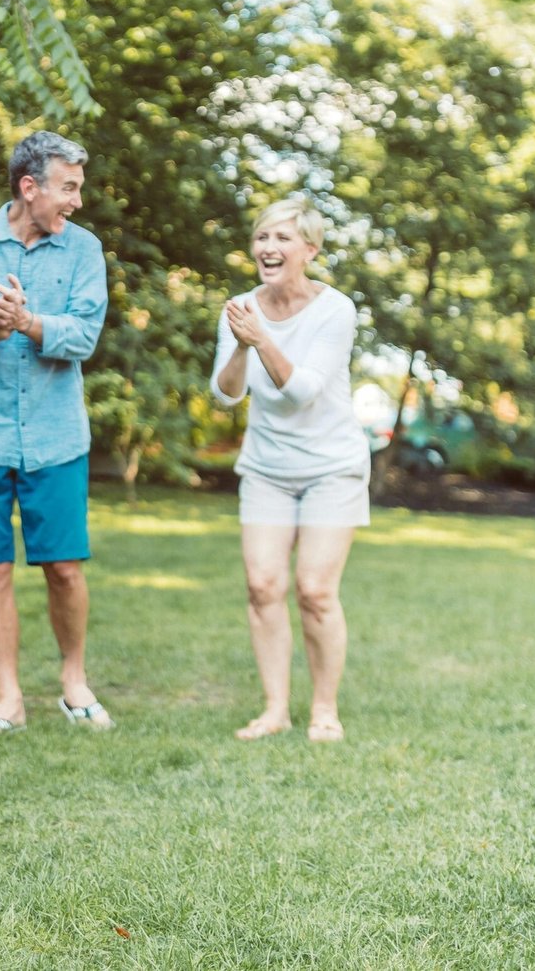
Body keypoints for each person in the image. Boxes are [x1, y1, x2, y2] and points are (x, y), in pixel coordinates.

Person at [0, 130, 111, 743]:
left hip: (56, 437)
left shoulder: (84, 251)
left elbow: (84, 336)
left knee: (63, 567)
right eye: (69, 188)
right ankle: (9, 697)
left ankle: (74, 681)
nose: (77, 201)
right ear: (30, 188)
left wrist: (27, 322)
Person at [209, 196, 368, 744]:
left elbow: (301, 392)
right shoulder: (239, 307)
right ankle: (275, 709)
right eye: (262, 238)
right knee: (262, 584)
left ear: (310, 249)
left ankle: (325, 709)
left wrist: (262, 340)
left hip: (332, 466)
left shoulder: (336, 310)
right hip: (268, 468)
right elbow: (224, 395)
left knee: (316, 589)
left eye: (282, 239)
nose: (268, 248)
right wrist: (238, 347)